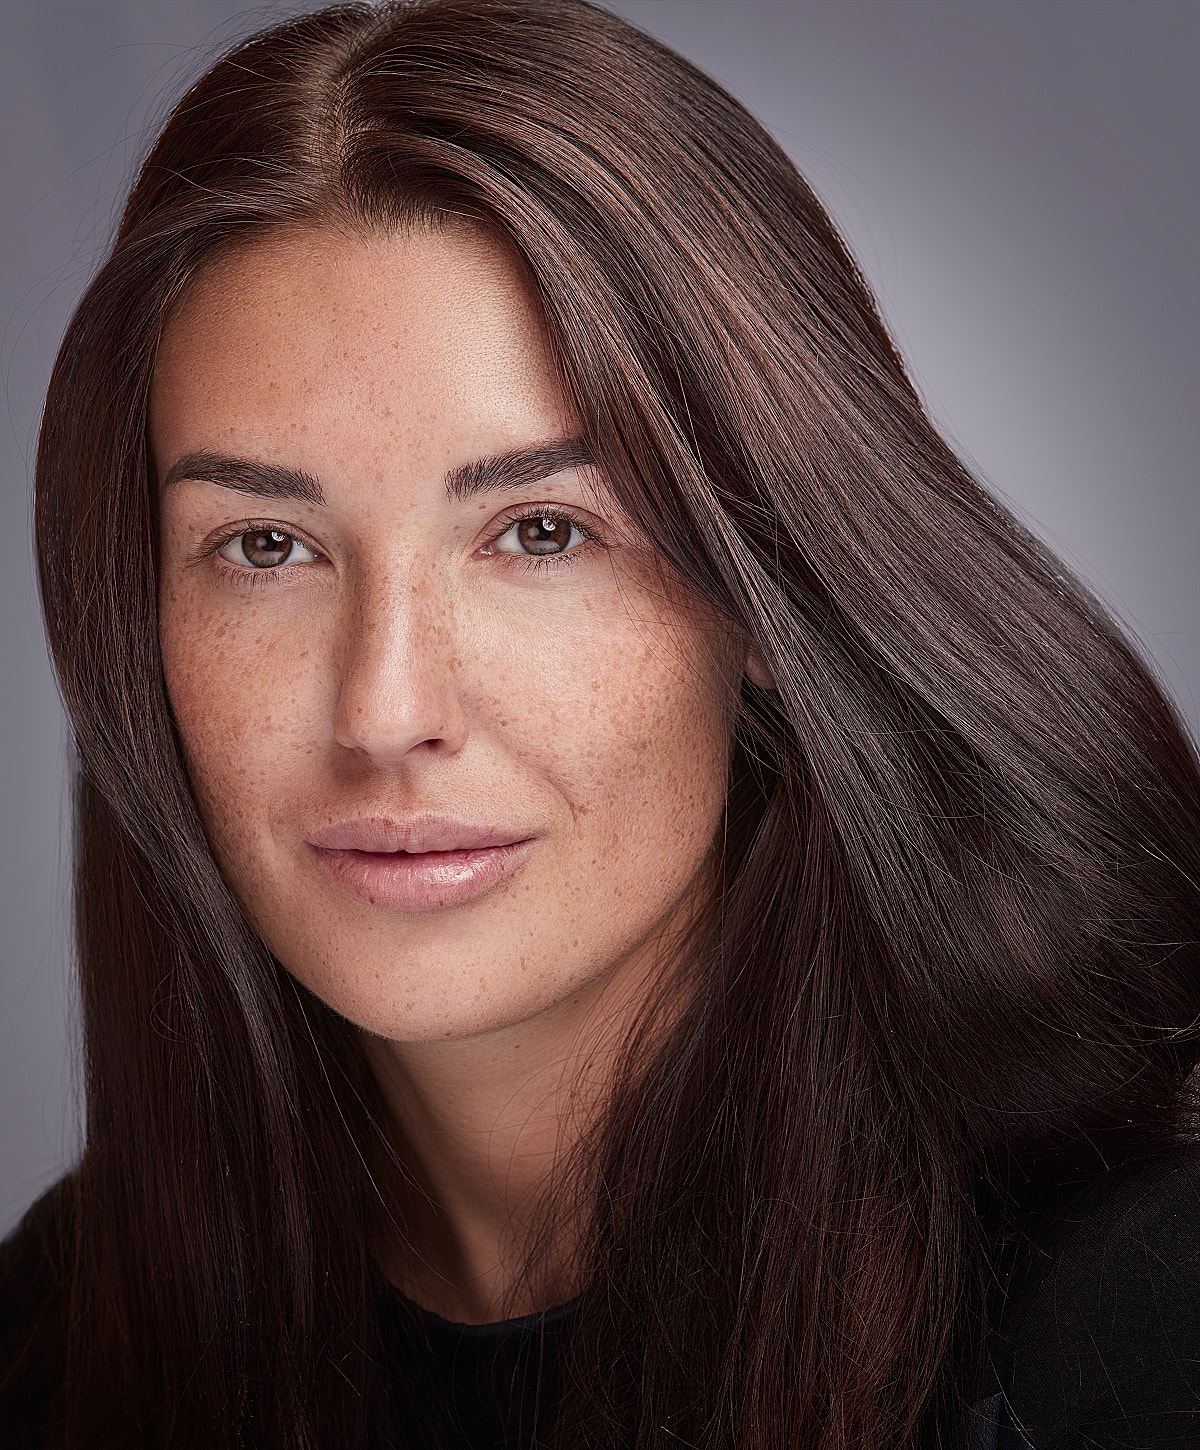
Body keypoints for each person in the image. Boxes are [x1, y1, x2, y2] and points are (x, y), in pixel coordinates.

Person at [4, 0, 1200, 1446]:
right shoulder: (57, 1341)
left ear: (765, 594)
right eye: (267, 547)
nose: (386, 710)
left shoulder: (1133, 1318)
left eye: (543, 532)